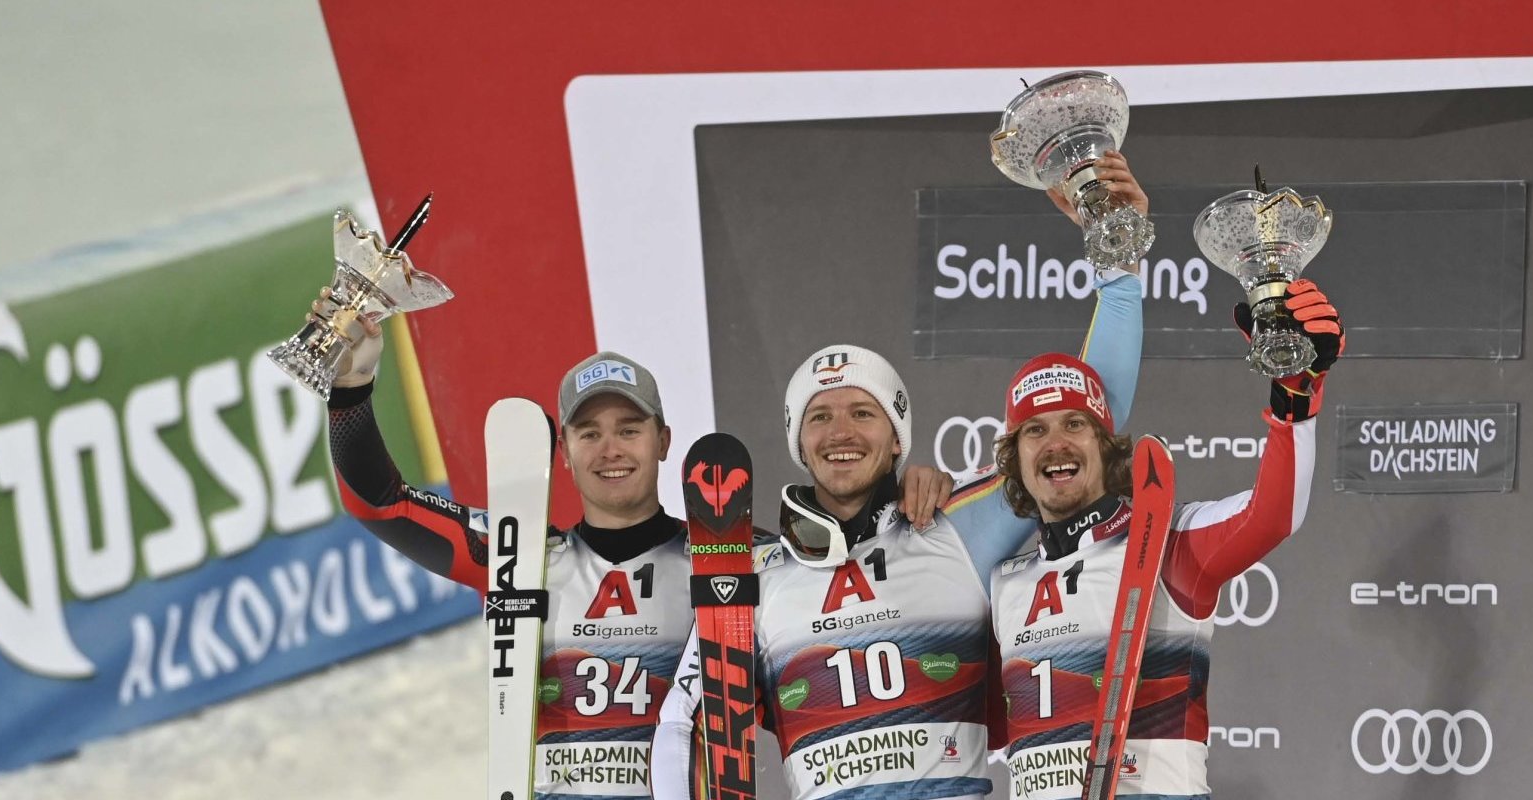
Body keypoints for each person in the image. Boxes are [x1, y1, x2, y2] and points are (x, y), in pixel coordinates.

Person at [650, 153, 1152, 800]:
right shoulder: (753, 575)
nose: (840, 432)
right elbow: (682, 725)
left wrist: (1118, 263)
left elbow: (1087, 409)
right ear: (798, 442)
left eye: (863, 412)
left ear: (896, 438)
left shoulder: (954, 523)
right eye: (819, 417)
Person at [315, 303, 953, 798]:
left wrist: (910, 489)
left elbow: (864, 581)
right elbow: (381, 502)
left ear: (664, 439)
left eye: (629, 429)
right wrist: (351, 383)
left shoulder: (735, 559)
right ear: (563, 452)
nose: (610, 449)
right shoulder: (519, 556)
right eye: (588, 433)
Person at [987, 280, 1344, 800]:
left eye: (1075, 424)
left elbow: (1272, 516)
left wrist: (1294, 393)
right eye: (1034, 431)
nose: (1056, 443)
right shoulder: (1002, 583)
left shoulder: (1168, 544)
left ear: (1106, 446)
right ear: (1014, 458)